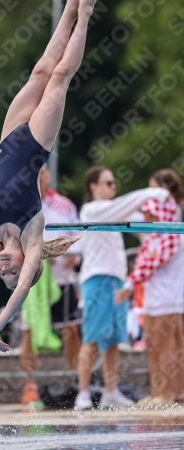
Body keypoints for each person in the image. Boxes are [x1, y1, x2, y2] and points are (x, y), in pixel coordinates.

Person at [0, 0, 100, 352]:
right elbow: (24, 287)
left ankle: (70, 1)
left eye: (3, 274)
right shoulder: (32, 234)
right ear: (29, 260)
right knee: (59, 76)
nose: (5, 270)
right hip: (37, 142)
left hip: (8, 140)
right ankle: (85, 14)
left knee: (41, 69)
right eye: (12, 271)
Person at [74, 166, 170, 410]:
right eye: (108, 183)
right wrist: (149, 192)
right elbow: (125, 207)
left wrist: (164, 208)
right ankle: (83, 393)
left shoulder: (113, 211)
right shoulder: (92, 209)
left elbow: (143, 220)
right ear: (93, 187)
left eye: (114, 183)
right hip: (96, 279)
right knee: (92, 339)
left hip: (116, 279)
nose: (113, 187)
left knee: (114, 340)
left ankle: (110, 391)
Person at [116, 168, 184, 406]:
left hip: (169, 296)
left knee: (166, 346)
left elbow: (152, 262)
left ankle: (169, 394)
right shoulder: (157, 231)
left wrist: (130, 284)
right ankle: (159, 392)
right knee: (154, 343)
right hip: (155, 296)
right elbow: (146, 258)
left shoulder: (173, 229)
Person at [20, 165, 82, 404]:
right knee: (28, 332)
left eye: (42, 170)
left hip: (61, 278)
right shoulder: (20, 203)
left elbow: (77, 234)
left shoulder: (64, 205)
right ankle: (29, 385)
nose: (38, 174)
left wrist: (70, 254)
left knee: (70, 329)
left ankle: (78, 380)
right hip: (32, 280)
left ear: (48, 174)